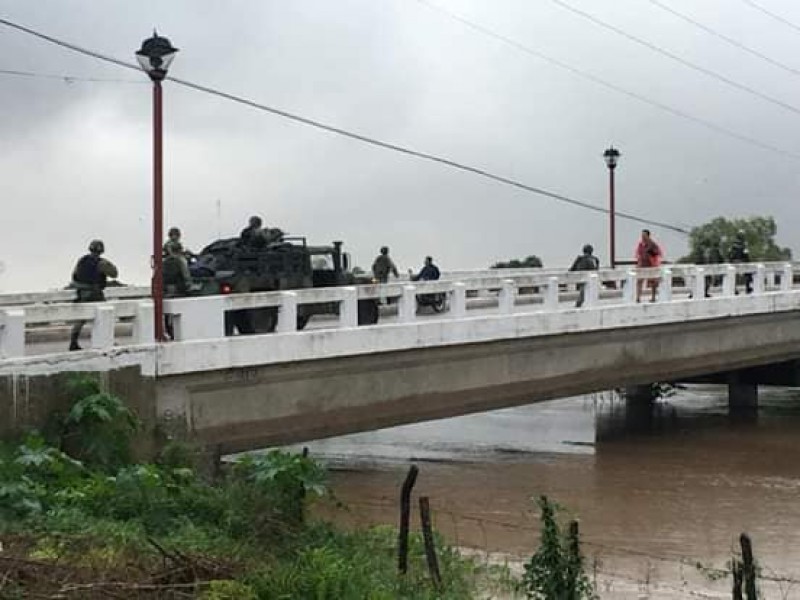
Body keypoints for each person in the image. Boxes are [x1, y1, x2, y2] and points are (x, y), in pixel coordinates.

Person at [69, 240, 118, 351]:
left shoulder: (82, 260)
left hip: (82, 293)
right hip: (95, 293)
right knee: (106, 315)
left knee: (80, 319)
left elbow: (74, 276)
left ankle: (73, 342)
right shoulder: (101, 263)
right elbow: (114, 274)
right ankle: (108, 341)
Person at [635, 229, 663, 303]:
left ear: (648, 236)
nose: (643, 237)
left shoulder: (653, 244)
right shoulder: (640, 244)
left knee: (652, 282)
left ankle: (653, 297)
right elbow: (638, 253)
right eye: (642, 235)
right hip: (642, 264)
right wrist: (638, 263)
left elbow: (659, 253)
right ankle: (638, 297)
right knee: (639, 281)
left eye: (644, 235)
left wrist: (651, 252)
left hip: (651, 264)